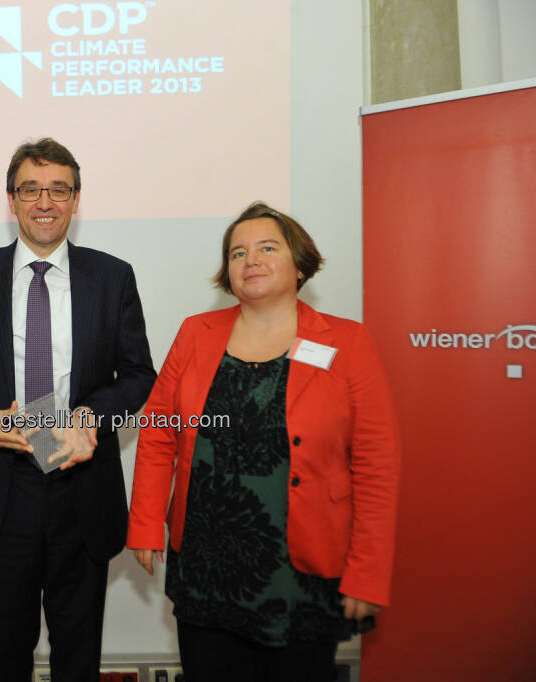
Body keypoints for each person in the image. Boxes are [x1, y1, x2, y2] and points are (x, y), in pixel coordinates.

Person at [127, 201, 400, 681]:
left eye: (267, 248)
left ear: (299, 264)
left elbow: (377, 466)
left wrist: (368, 571)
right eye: (237, 253)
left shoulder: (347, 343)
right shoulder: (195, 333)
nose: (249, 260)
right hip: (206, 567)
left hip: (301, 573)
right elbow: (157, 434)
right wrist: (147, 524)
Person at [0, 138, 156, 681]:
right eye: (31, 189)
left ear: (77, 200)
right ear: (11, 200)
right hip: (2, 491)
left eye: (59, 189)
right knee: (6, 656)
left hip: (82, 493)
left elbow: (139, 375)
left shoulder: (112, 276)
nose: (45, 202)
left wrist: (90, 419)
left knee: (77, 658)